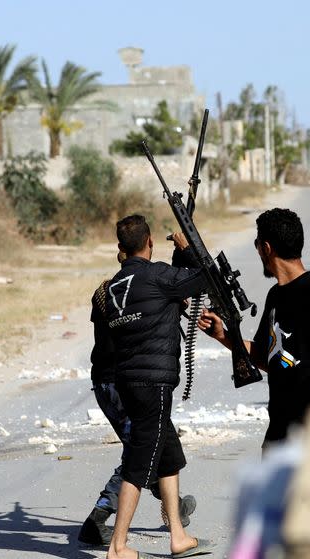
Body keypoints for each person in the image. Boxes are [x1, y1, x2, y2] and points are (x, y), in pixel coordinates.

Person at [198, 208, 310, 453]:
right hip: (279, 434)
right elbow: (268, 358)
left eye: (257, 244)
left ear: (267, 247)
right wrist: (224, 336)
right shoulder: (275, 296)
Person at [105, 215, 215, 559]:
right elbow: (206, 279)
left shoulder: (112, 288)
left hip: (128, 382)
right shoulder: (157, 276)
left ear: (121, 249)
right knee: (140, 463)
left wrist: (180, 263)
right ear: (150, 242)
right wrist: (189, 248)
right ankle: (117, 547)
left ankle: (178, 536)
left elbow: (167, 293)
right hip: (154, 382)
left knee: (168, 456)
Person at [78, 250, 196, 546]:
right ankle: (100, 518)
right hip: (124, 381)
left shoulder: (107, 291)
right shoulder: (137, 288)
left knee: (157, 444)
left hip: (107, 383)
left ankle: (174, 511)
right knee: (142, 447)